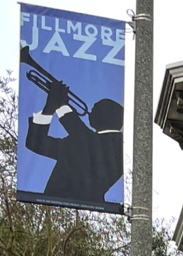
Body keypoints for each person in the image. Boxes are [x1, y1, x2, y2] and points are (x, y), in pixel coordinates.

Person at [24, 77, 124, 208]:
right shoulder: (79, 142)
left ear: (107, 115)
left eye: (95, 108)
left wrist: (61, 106)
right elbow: (36, 143)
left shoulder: (118, 145)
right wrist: (49, 109)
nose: (90, 112)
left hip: (87, 211)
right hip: (52, 207)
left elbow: (87, 140)